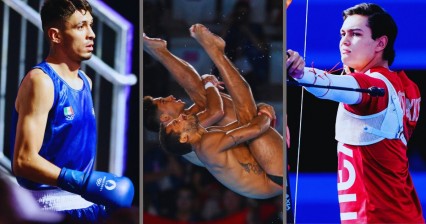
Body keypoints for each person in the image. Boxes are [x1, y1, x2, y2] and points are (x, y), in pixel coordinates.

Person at [286, 3, 423, 223]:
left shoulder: (376, 87)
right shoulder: (406, 87)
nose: (344, 41)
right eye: (343, 33)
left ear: (381, 43)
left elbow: (342, 86)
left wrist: (300, 73)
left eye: (355, 34)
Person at [10, 0, 134, 222]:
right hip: (48, 208)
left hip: (85, 206)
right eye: (80, 26)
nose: (91, 34)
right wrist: (84, 182)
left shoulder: (86, 81)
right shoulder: (41, 81)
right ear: (56, 35)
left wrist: (86, 186)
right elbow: (23, 160)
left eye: (91, 25)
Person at [143, 29, 283, 187]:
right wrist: (265, 114)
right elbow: (218, 111)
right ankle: (215, 52)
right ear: (165, 118)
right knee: (215, 100)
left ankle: (162, 51)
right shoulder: (191, 137)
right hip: (271, 174)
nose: (168, 97)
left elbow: (202, 94)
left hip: (263, 166)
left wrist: (208, 83)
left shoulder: (186, 131)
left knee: (204, 94)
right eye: (163, 101)